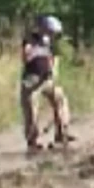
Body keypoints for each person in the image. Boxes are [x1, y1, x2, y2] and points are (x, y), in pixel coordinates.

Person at [21, 14, 74, 152]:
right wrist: (36, 50)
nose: (52, 35)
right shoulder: (31, 39)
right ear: (43, 29)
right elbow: (26, 56)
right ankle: (33, 142)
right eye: (50, 32)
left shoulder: (50, 42)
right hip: (32, 79)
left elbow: (54, 57)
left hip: (47, 78)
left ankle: (62, 133)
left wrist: (53, 70)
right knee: (31, 111)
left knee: (60, 99)